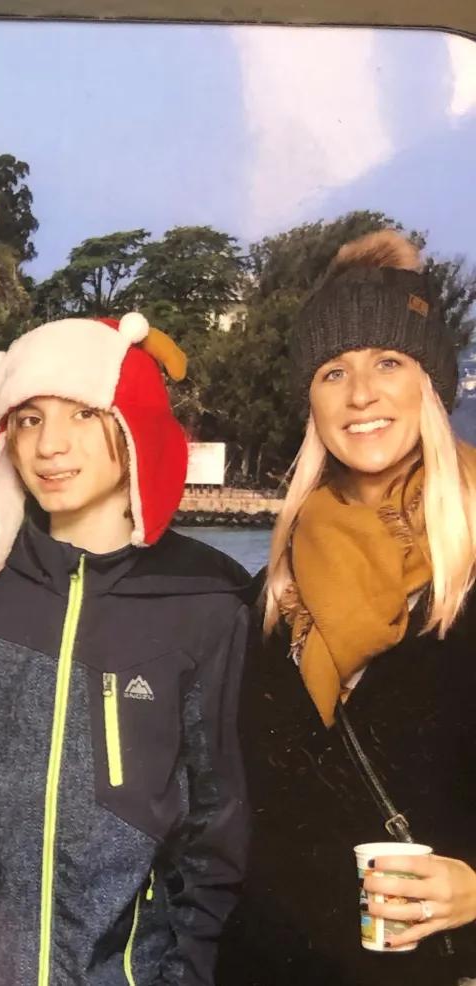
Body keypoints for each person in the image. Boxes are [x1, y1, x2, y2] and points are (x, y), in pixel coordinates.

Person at [0, 313, 250, 986]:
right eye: (29, 419)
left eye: (82, 413)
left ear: (131, 427)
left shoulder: (207, 604)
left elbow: (217, 842)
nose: (51, 445)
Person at [217, 231, 476, 985]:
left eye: (388, 363)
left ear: (430, 385)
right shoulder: (271, 594)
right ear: (312, 401)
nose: (362, 394)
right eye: (335, 371)